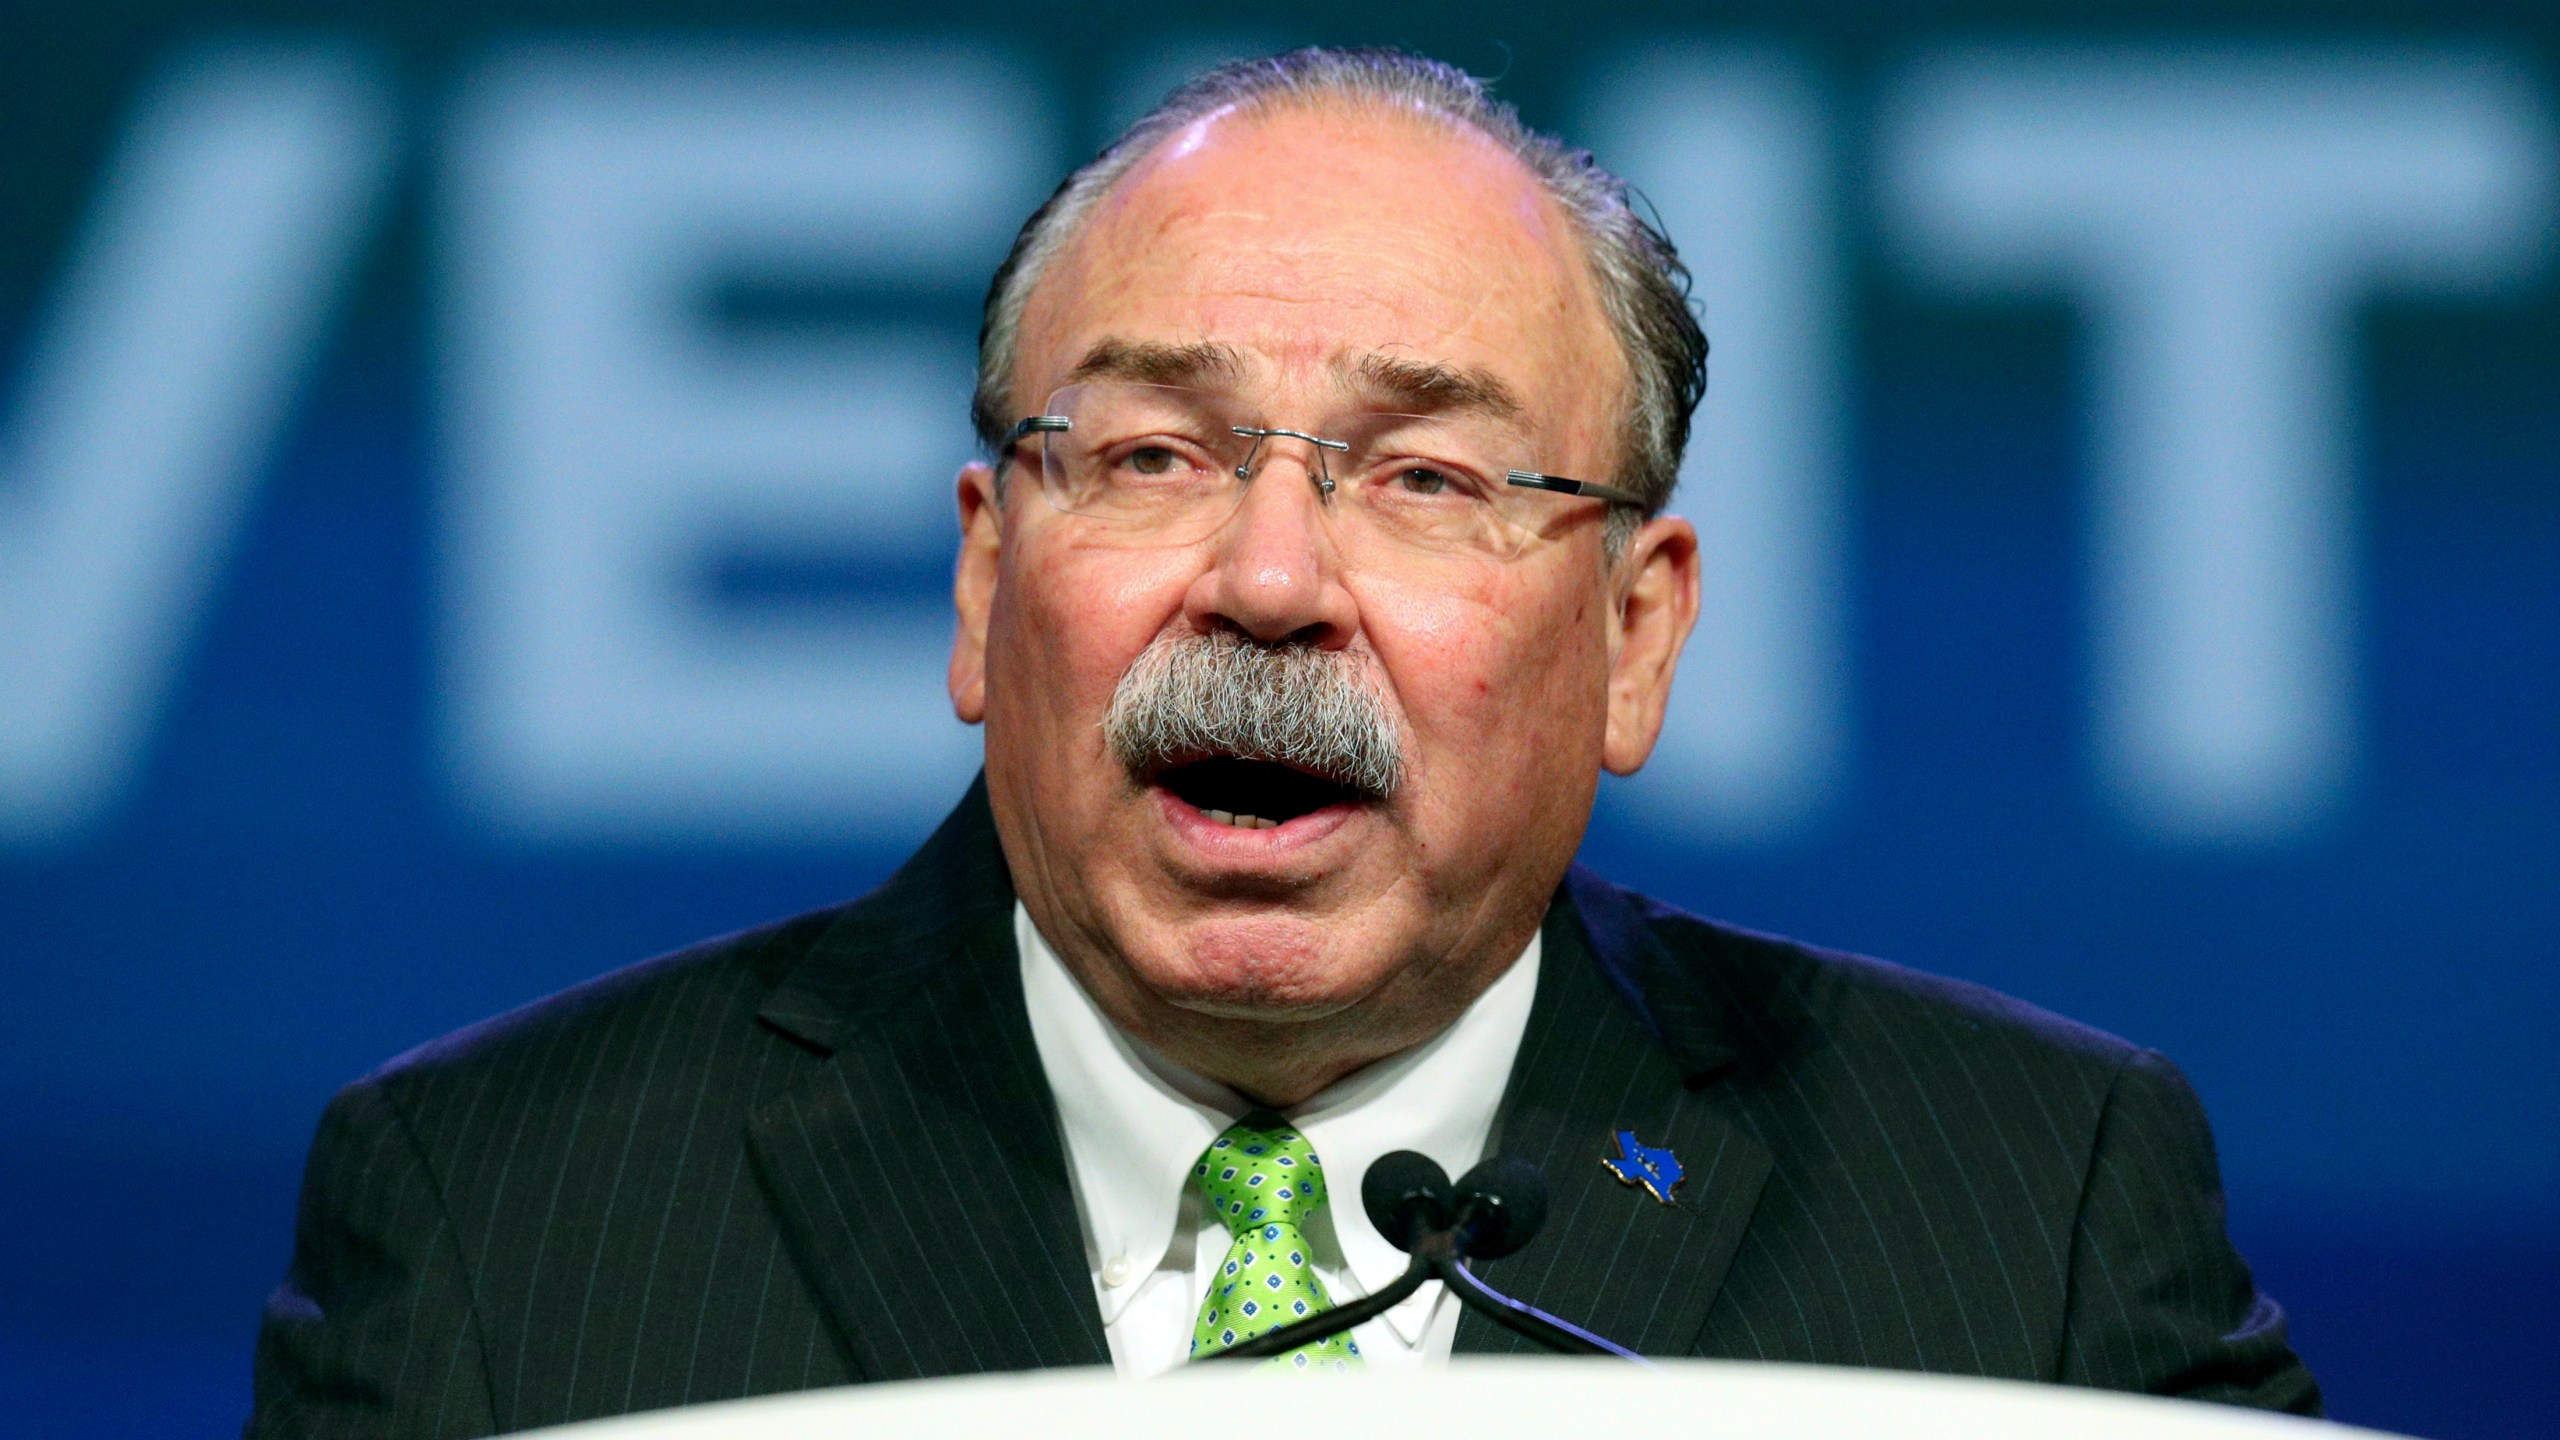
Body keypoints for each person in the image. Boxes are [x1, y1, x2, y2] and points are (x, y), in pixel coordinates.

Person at [247, 46, 2318, 1435]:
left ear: (1630, 632)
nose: (1262, 578)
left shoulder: (2028, 1213)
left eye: (1423, 480)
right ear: (985, 584)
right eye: (1146, 453)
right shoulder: (499, 1222)